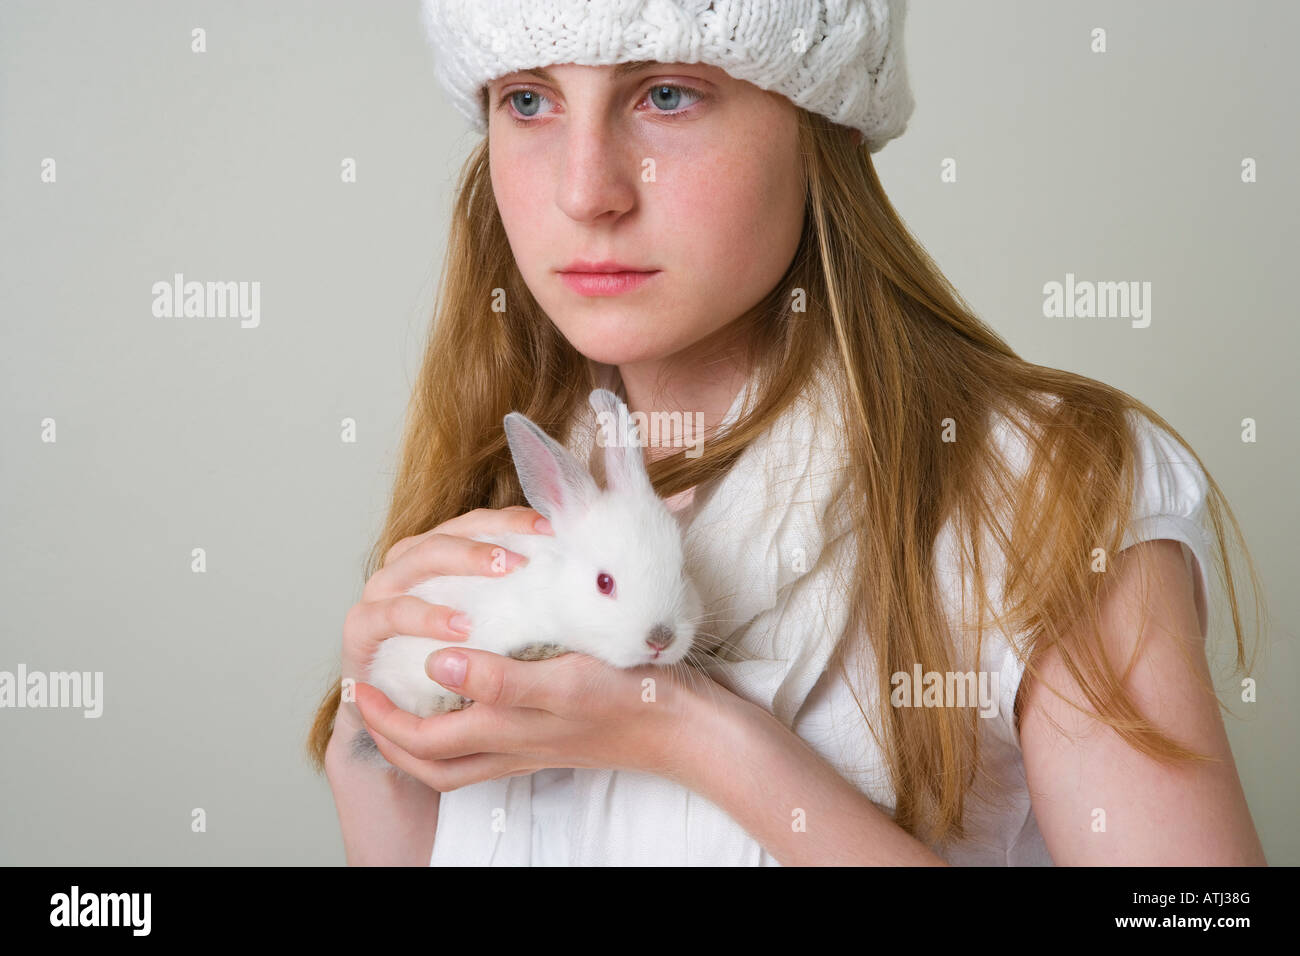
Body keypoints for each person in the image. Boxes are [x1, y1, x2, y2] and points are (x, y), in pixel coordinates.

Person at [306, 0, 1268, 866]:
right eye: (527, 101)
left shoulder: (1051, 491)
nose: (586, 190)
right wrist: (375, 737)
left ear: (823, 125)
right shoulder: (489, 491)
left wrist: (695, 739)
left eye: (667, 94)